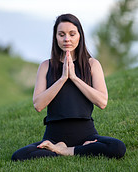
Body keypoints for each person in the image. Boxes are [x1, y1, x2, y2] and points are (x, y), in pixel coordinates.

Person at [11, 14, 126, 161]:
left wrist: (74, 77)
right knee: (19, 156)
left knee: (117, 147)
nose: (67, 39)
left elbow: (102, 102)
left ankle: (65, 151)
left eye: (72, 34)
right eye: (61, 34)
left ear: (80, 36)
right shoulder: (46, 66)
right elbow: (38, 105)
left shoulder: (92, 64)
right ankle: (70, 148)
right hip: (54, 136)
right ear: (56, 37)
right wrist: (63, 78)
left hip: (86, 134)